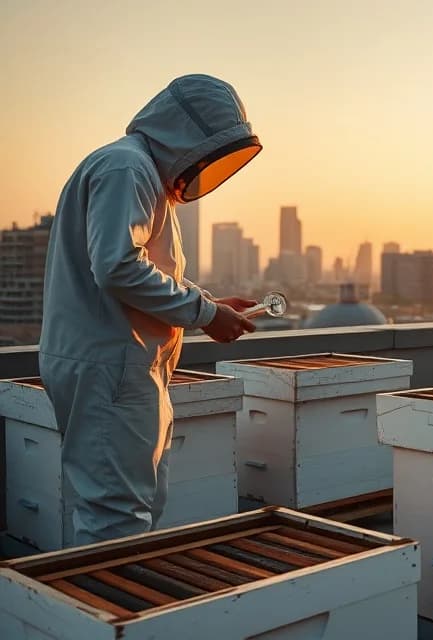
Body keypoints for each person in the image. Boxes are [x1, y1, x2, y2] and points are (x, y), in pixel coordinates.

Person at [39, 74, 262, 546]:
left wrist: (211, 305)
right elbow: (118, 267)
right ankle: (108, 615)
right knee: (116, 519)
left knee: (136, 504)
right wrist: (204, 315)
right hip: (113, 367)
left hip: (122, 364)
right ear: (186, 133)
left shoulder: (137, 171)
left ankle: (120, 614)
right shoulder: (127, 168)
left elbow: (142, 269)